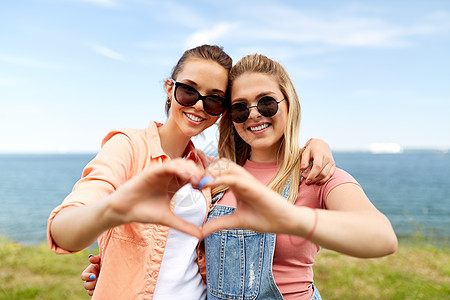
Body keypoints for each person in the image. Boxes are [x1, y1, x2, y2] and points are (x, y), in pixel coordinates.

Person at [48, 45, 335, 299]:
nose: (198, 105)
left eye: (213, 100)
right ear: (170, 88)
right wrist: (113, 211)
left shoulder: (208, 167)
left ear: (222, 111)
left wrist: (314, 144)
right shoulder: (127, 148)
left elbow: (261, 162)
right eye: (189, 91)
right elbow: (65, 229)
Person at [198, 54, 398, 299]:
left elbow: (383, 238)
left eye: (266, 102)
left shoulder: (315, 175)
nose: (253, 114)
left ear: (289, 103)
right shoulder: (218, 174)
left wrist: (289, 217)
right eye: (240, 108)